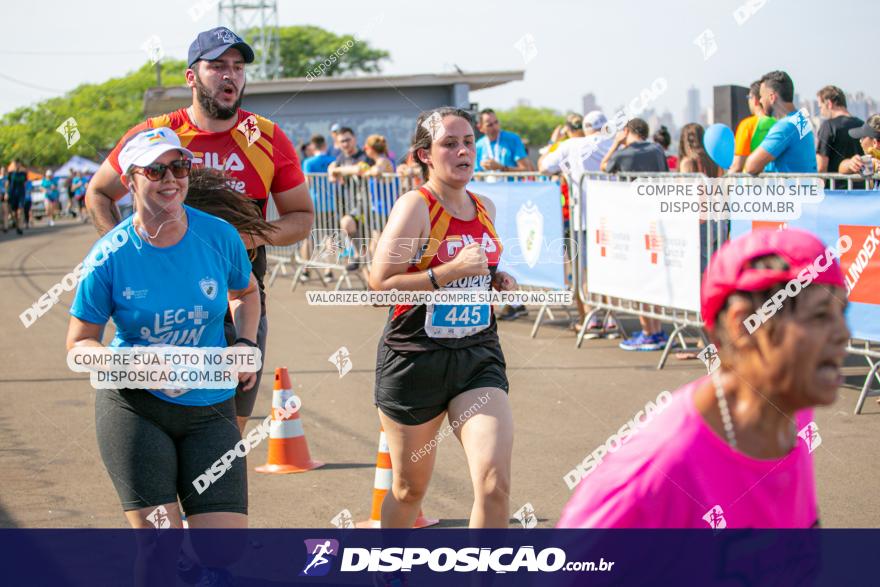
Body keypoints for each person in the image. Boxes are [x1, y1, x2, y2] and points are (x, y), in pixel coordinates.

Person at [85, 26, 313, 436]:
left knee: (226, 434)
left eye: (238, 67)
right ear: (192, 76)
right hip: (155, 304)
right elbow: (99, 193)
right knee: (152, 427)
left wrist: (253, 237)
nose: (230, 76)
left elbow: (301, 217)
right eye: (218, 66)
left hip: (239, 301)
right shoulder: (155, 135)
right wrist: (124, 251)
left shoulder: (267, 138)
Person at [558, 228, 848, 528]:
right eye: (820, 316)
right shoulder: (653, 472)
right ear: (744, 326)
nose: (844, 334)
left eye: (843, 313)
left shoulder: (791, 411)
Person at [66, 127, 260, 531]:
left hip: (209, 405)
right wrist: (134, 365)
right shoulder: (109, 255)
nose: (171, 179)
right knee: (160, 544)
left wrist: (243, 341)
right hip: (136, 407)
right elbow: (80, 345)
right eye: (155, 171)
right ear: (129, 182)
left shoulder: (218, 235)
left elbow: (245, 290)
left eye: (179, 167)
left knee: (224, 546)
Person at [369, 107, 516, 530]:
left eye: (468, 141)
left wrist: (495, 278)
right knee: (408, 491)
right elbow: (380, 284)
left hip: (477, 357)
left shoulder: (484, 206)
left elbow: (478, 271)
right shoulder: (415, 207)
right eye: (449, 144)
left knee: (493, 483)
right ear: (425, 155)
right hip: (416, 359)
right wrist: (447, 273)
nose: (462, 150)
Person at [538, 110, 618, 335]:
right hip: (610, 218)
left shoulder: (571, 145)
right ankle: (611, 318)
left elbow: (544, 167)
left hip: (582, 217)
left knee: (583, 270)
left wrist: (554, 142)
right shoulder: (613, 143)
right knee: (609, 267)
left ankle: (591, 319)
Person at [600, 118, 669, 351]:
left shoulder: (625, 152)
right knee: (654, 275)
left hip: (634, 220)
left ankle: (648, 332)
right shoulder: (658, 149)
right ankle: (656, 330)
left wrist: (616, 144)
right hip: (657, 219)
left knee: (640, 278)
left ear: (627, 131)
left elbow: (604, 166)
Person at [745, 71, 817, 174]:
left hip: (789, 189)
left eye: (761, 96)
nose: (760, 101)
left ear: (772, 97)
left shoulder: (785, 126)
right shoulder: (800, 120)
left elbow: (751, 166)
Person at [815, 85, 864, 174]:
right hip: (862, 186)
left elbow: (821, 166)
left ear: (829, 104)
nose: (821, 111)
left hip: (836, 186)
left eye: (820, 107)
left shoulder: (828, 126)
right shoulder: (862, 125)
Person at [730, 80, 776, 173]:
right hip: (774, 184)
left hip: (750, 185)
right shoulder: (778, 123)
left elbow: (737, 166)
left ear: (754, 99)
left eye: (749, 97)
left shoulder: (747, 125)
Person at [475, 108, 534, 172]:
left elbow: (525, 169)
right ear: (480, 127)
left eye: (496, 122)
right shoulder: (478, 146)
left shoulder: (513, 139)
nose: (495, 127)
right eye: (490, 125)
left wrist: (501, 168)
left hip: (511, 182)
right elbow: (475, 173)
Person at [6, 160, 28, 235]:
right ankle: (17, 225)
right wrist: (6, 193)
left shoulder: (23, 173)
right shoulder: (10, 174)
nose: (17, 166)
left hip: (21, 194)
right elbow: (7, 184)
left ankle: (20, 226)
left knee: (20, 211)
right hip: (12, 195)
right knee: (14, 212)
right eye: (16, 164)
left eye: (19, 164)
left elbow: (25, 183)